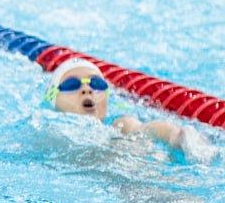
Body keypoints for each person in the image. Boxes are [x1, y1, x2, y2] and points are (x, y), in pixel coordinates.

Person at [45, 58, 203, 153]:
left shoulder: (119, 126)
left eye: (96, 83)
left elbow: (147, 128)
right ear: (52, 97)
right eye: (72, 85)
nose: (87, 89)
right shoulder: (46, 130)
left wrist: (177, 136)